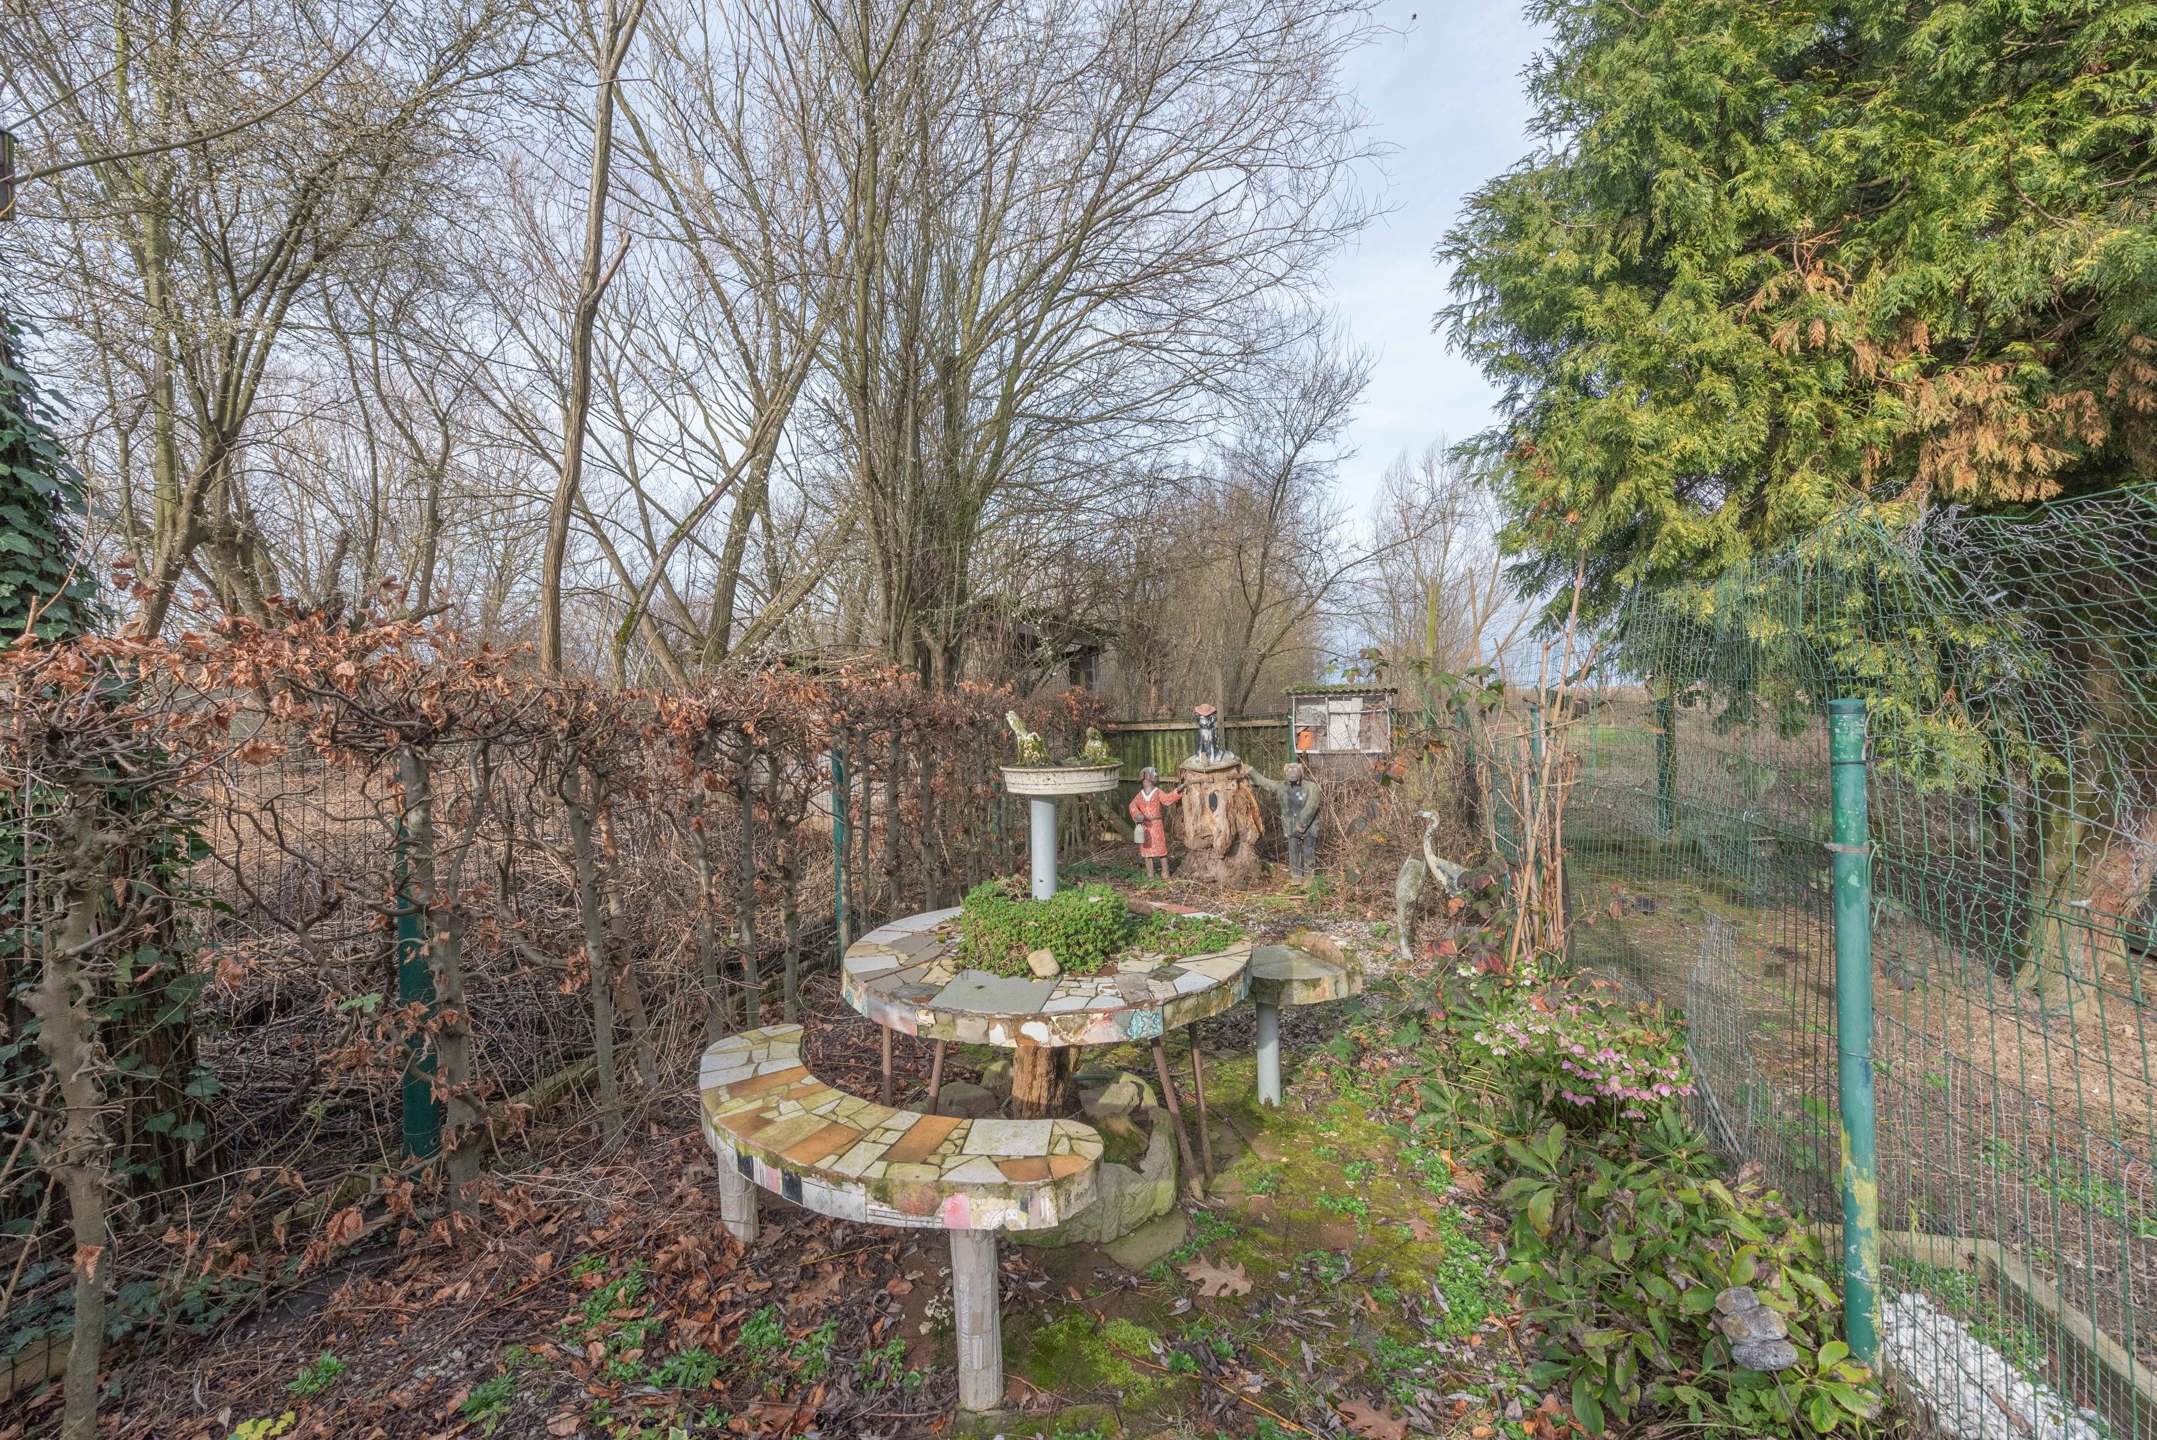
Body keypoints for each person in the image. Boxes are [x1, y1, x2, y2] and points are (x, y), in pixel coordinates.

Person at [1249, 761, 1324, 879]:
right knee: (1293, 851)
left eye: (1295, 770)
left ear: (1301, 772)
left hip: (1309, 827)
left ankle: (1310, 876)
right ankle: (1296, 876)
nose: (1292, 772)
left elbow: (1312, 805)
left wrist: (1302, 823)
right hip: (1291, 826)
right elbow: (1265, 782)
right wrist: (1250, 771)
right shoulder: (1282, 786)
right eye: (1289, 770)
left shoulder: (1311, 787)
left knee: (1308, 850)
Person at [1127, 766, 1184, 880]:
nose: (1156, 775)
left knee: (1162, 851)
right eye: (1154, 772)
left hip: (1157, 825)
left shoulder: (1157, 792)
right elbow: (1132, 806)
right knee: (1147, 852)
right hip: (1145, 827)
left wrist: (1177, 791)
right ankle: (1150, 875)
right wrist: (1137, 815)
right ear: (1146, 776)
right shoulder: (1140, 795)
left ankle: (1165, 874)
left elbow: (1167, 800)